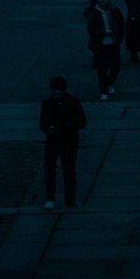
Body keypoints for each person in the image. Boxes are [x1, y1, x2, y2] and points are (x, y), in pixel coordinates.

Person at [40, 76, 88, 210]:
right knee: (50, 170)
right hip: (54, 140)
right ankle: (50, 197)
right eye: (55, 93)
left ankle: (70, 199)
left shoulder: (73, 102)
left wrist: (70, 124)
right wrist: (48, 129)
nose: (57, 96)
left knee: (69, 171)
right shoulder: (47, 104)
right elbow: (42, 124)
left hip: (68, 140)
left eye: (59, 93)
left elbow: (82, 122)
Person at [86, 0, 125, 100]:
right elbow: (90, 30)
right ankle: (104, 90)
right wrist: (104, 32)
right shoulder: (94, 13)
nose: (104, 1)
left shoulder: (114, 10)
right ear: (98, 0)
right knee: (102, 69)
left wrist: (119, 38)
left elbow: (121, 24)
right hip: (100, 45)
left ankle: (108, 84)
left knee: (116, 66)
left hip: (113, 43)